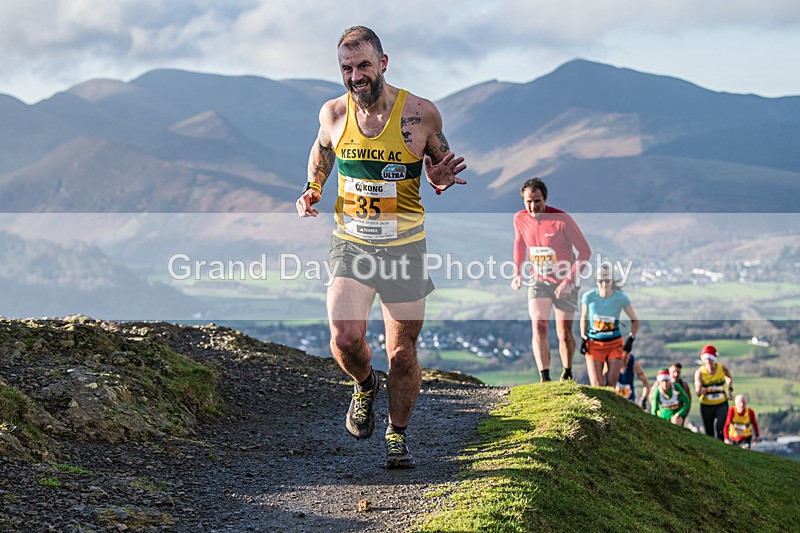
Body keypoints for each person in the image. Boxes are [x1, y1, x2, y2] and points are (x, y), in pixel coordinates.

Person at [295, 26, 467, 469]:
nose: (356, 76)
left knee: (402, 351)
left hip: (405, 248)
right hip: (352, 244)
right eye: (347, 68)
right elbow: (322, 151)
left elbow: (438, 163)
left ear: (383, 64)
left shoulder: (422, 114)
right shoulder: (333, 113)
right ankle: (365, 383)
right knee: (345, 337)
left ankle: (396, 434)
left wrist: (438, 177)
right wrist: (313, 187)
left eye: (364, 66)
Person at [511, 178, 591, 382]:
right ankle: (544, 377)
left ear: (544, 199)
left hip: (565, 282)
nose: (532, 206)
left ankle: (567, 371)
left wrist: (569, 281)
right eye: (528, 201)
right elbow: (520, 244)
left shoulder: (561, 219)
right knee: (539, 326)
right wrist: (518, 272)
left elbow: (585, 251)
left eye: (537, 201)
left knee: (564, 333)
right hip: (539, 281)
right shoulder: (520, 219)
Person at [579, 267, 638, 388]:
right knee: (597, 385)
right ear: (596, 282)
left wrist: (631, 339)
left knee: (611, 385)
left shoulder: (621, 298)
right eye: (601, 281)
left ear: (612, 281)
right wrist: (583, 338)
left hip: (614, 344)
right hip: (594, 344)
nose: (604, 284)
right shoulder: (589, 297)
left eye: (607, 281)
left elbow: (635, 320)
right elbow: (583, 318)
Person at [694, 345, 734, 441]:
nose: (709, 363)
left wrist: (730, 389)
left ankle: (722, 447)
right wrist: (700, 391)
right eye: (706, 361)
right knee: (709, 432)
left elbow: (729, 377)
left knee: (721, 428)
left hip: (721, 403)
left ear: (714, 360)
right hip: (706, 405)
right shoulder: (699, 372)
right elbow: (697, 389)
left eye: (710, 360)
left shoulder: (721, 368)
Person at [669, 362, 692, 426]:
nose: (676, 374)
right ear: (669, 372)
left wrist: (683, 415)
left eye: (678, 372)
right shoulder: (660, 385)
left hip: (678, 415)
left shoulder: (684, 386)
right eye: (673, 372)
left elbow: (688, 402)